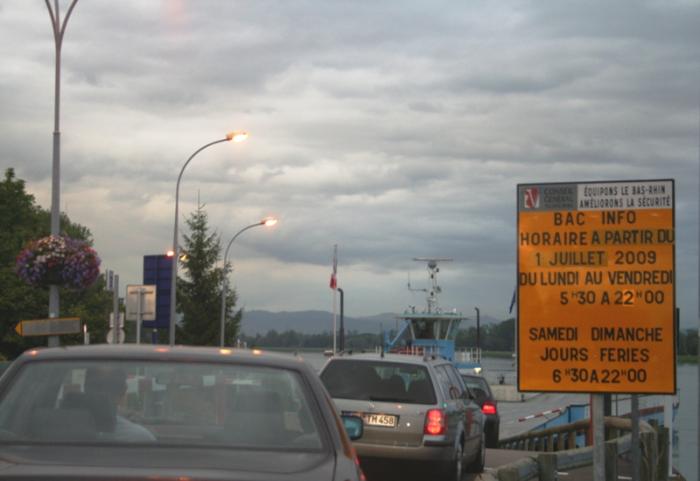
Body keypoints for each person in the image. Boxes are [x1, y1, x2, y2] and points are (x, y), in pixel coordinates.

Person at [83, 365, 156, 442]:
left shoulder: (73, 431)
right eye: (98, 387)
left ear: (85, 389)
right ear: (122, 395)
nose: (99, 397)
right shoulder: (141, 438)